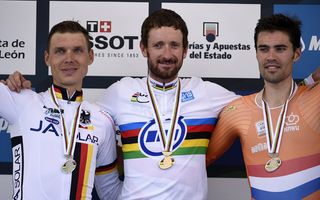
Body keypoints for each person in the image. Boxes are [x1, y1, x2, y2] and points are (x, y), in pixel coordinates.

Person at [4, 10, 319, 200]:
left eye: (174, 45)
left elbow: (261, 103)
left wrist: (306, 85)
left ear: (185, 50)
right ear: (143, 48)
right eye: (158, 45)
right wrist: (18, 87)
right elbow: (77, 120)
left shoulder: (208, 93)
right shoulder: (117, 94)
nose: (166, 53)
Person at [0, 21, 122, 199]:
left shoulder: (102, 119)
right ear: (47, 58)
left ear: (90, 56)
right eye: (60, 51)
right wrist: (6, 84)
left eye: (78, 50)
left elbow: (110, 192)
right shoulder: (21, 100)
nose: (69, 58)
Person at [206, 14, 320, 199]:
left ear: (296, 54)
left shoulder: (315, 99)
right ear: (256, 53)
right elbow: (196, 163)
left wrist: (311, 80)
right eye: (264, 49)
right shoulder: (238, 110)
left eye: (280, 49)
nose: (271, 57)